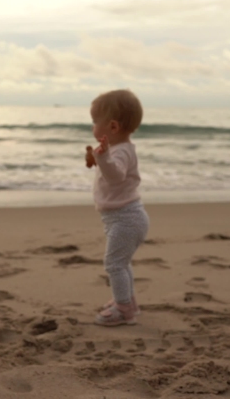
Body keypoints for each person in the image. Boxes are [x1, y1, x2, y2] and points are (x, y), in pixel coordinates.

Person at [84, 89, 150, 326]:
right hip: (124, 218)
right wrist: (101, 157)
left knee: (114, 264)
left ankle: (123, 310)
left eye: (94, 122)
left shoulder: (119, 152)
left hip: (126, 219)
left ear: (112, 127)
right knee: (121, 263)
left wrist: (102, 158)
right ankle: (127, 301)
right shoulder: (118, 150)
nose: (92, 127)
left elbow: (115, 176)